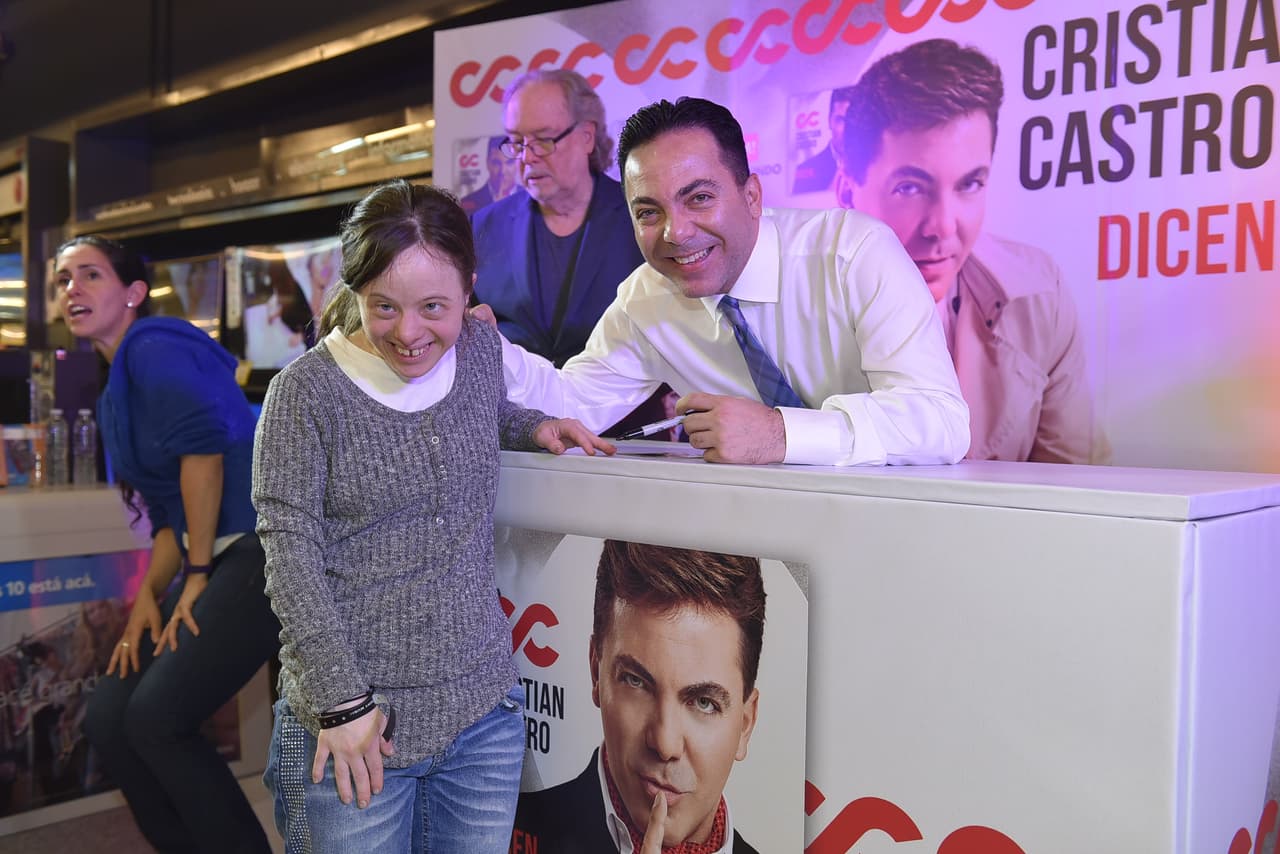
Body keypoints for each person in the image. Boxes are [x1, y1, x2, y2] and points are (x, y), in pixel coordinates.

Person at [252, 178, 613, 852]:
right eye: (383, 306)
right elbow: (289, 556)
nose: (409, 333)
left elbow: (471, 414)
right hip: (354, 727)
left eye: (434, 308)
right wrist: (343, 704)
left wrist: (532, 426)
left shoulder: (477, 351)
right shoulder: (304, 393)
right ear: (352, 284)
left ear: (470, 288)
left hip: (480, 717)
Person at [491, 96, 969, 466]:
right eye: (649, 212)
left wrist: (780, 434)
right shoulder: (646, 299)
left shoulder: (852, 254)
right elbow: (572, 403)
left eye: (698, 198)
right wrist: (484, 350)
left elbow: (941, 421)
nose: (676, 233)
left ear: (753, 196)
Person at [57, 234, 281, 854]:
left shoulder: (154, 344)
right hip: (213, 554)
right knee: (110, 717)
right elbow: (165, 522)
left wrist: (199, 574)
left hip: (264, 545)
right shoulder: (111, 396)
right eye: (63, 280)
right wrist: (149, 599)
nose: (72, 288)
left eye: (90, 275)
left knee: (157, 718)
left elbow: (203, 457)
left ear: (133, 294)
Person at [839, 38, 1103, 463]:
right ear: (847, 190)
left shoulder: (1041, 295)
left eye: (970, 184)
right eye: (910, 188)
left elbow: (1075, 487)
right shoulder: (783, 311)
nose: (943, 226)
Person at [512, 540, 763, 853]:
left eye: (704, 703)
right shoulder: (509, 828)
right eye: (636, 682)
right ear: (596, 671)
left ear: (745, 724)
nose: (665, 743)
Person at [471, 69, 646, 370]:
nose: (528, 157)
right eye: (517, 141)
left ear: (587, 136)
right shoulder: (482, 227)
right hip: (516, 411)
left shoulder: (639, 218)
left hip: (622, 411)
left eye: (543, 139)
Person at [792, 86, 854, 195]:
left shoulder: (874, 165)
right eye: (840, 120)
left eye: (851, 120)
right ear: (830, 121)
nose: (846, 129)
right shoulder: (805, 169)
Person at [460, 135, 518, 215]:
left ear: (517, 163)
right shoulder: (466, 203)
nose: (503, 171)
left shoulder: (532, 198)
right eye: (496, 163)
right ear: (488, 163)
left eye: (509, 163)